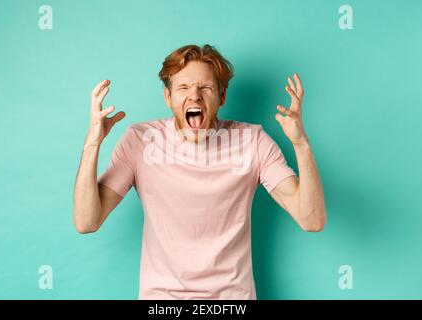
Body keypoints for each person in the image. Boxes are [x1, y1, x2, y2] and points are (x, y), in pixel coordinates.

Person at [73, 44, 326, 300]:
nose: (194, 96)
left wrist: (301, 144)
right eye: (183, 87)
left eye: (205, 88)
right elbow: (86, 221)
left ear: (222, 96)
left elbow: (311, 220)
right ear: (168, 97)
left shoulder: (253, 142)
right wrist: (92, 143)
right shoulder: (140, 141)